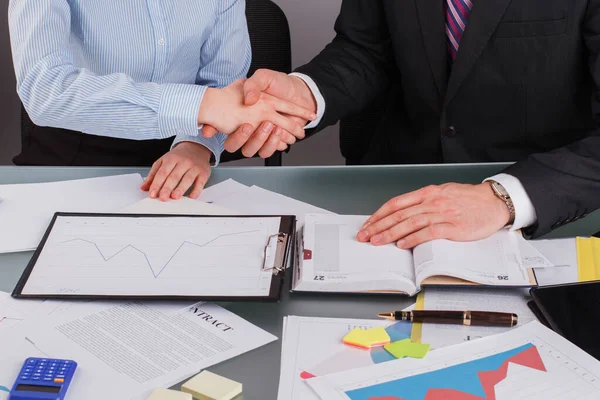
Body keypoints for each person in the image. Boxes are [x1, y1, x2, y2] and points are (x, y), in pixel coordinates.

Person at [205, 0, 600, 247]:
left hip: (550, 202)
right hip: (396, 194)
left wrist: (505, 197)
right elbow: (365, 50)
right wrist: (306, 93)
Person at [9, 0, 314, 201]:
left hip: (183, 152)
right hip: (74, 155)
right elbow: (43, 89)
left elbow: (224, 82)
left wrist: (196, 144)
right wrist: (201, 105)